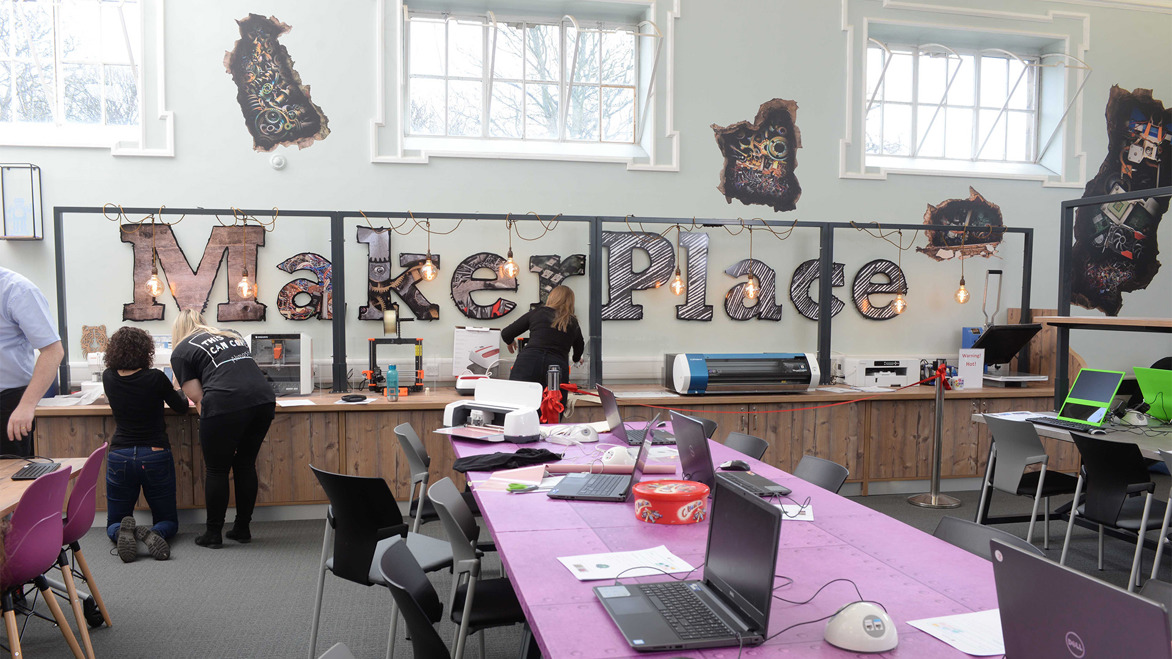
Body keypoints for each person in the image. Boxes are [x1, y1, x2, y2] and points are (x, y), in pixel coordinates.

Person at [170, 309, 275, 548]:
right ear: (203, 323)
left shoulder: (181, 351)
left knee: (217, 469)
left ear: (177, 330)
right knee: (245, 464)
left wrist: (210, 424)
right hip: (263, 400)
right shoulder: (232, 335)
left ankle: (213, 534)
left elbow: (198, 399)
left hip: (225, 402)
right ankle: (242, 529)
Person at [102, 326, 189, 562]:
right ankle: (153, 532)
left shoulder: (108, 376)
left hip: (120, 454)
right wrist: (176, 386)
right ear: (146, 351)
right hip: (155, 453)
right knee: (168, 519)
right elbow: (181, 407)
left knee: (114, 521)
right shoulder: (155, 378)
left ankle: (123, 531)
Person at [0, 266, 64, 456]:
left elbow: (53, 351)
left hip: (8, 405)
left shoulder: (18, 290)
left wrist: (26, 406)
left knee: (10, 480)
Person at [501, 286, 585, 408]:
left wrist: (510, 342)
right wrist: (577, 359)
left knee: (518, 409)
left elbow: (506, 333)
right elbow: (579, 347)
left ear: (551, 298)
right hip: (555, 369)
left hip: (527, 364)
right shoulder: (572, 321)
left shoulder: (536, 313)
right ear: (570, 302)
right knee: (553, 411)